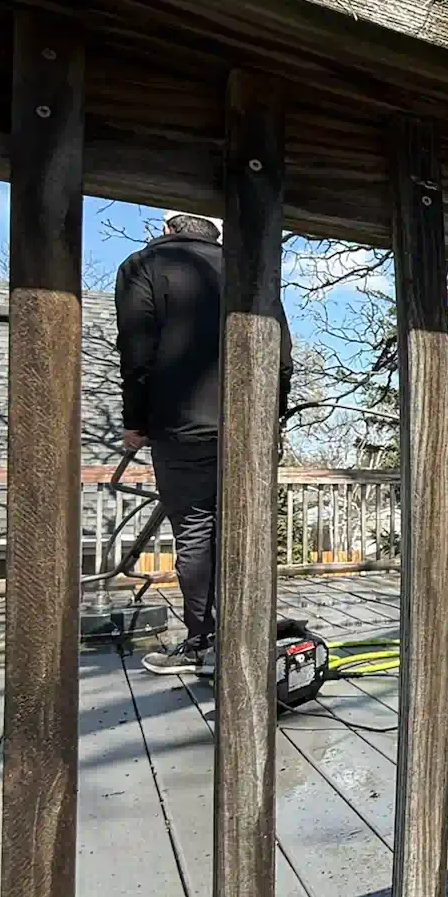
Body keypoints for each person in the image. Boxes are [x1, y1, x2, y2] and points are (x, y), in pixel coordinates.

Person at [115, 211, 294, 674]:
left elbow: (136, 352)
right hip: (250, 429)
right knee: (249, 529)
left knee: (196, 528)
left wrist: (135, 420)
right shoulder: (251, 272)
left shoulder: (143, 267)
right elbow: (283, 356)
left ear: (170, 228)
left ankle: (204, 642)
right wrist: (269, 419)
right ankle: (249, 635)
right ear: (214, 232)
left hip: (182, 426)